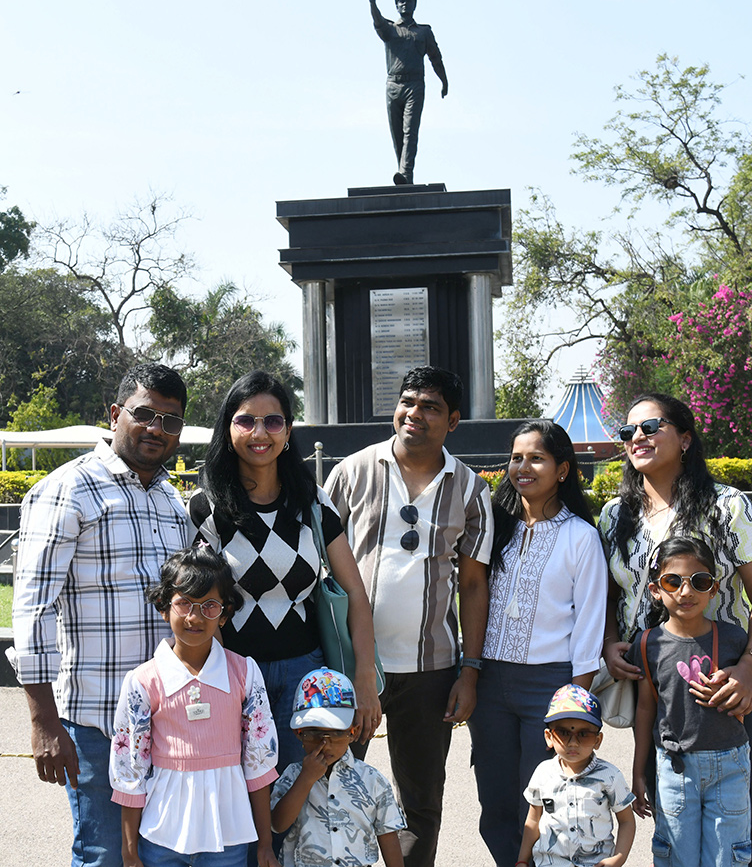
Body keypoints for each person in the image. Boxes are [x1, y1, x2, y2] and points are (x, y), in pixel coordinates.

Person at [12, 363, 193, 867]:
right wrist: (44, 721)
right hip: (97, 722)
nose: (157, 428)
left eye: (171, 421)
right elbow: (33, 606)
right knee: (104, 854)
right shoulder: (68, 489)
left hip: (166, 718)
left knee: (159, 854)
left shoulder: (171, 501)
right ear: (115, 415)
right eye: (145, 414)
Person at [323, 365, 492, 867]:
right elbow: (319, 565)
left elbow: (474, 584)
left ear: (453, 420)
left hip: (430, 672)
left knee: (420, 803)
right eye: (409, 402)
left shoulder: (470, 491)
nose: (414, 414)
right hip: (351, 667)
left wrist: (470, 670)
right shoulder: (350, 472)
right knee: (333, 790)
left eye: (431, 407)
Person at [190, 370, 381, 771]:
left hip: (306, 676)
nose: (260, 432)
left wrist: (365, 677)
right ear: (228, 429)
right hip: (237, 676)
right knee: (245, 804)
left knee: (300, 801)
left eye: (273, 421)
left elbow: (357, 596)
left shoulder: (312, 502)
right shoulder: (206, 507)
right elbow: (202, 604)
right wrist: (226, 683)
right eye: (246, 420)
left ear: (288, 430)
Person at [469, 420, 608, 867]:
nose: (522, 467)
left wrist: (574, 705)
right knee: (497, 803)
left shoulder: (581, 537)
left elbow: (589, 621)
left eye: (536, 458)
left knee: (550, 801)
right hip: (491, 683)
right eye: (515, 457)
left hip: (550, 687)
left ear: (563, 470)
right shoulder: (496, 526)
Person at [600, 394, 752, 771]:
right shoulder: (615, 515)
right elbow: (608, 595)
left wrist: (749, 668)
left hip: (727, 686)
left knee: (734, 818)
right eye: (627, 431)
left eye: (650, 427)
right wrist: (608, 644)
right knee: (670, 809)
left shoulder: (726, 506)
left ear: (685, 439)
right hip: (657, 687)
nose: (638, 436)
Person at [109, 545, 279, 867]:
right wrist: (129, 852)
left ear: (225, 613)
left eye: (209, 606)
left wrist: (265, 845)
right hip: (161, 838)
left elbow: (259, 764)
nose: (194, 617)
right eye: (184, 603)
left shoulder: (244, 674)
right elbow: (130, 770)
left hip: (228, 840)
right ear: (163, 607)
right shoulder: (143, 682)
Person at [629, 537, 751, 867]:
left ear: (714, 590)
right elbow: (645, 709)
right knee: (677, 856)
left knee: (728, 857)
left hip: (730, 765)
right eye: (673, 581)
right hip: (673, 768)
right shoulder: (646, 644)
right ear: (656, 589)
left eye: (699, 582)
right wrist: (640, 771)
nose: (686, 593)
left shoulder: (734, 639)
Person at [270, 667, 405, 867]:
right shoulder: (292, 775)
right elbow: (277, 824)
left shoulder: (372, 780)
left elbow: (388, 836)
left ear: (353, 732)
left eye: (335, 733)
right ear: (298, 733)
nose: (325, 744)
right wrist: (306, 779)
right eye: (313, 733)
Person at [518, 684, 636, 867]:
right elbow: (533, 820)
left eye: (584, 734)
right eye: (564, 733)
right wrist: (522, 860)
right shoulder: (543, 773)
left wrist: (617, 859)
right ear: (549, 737)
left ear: (598, 740)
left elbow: (627, 820)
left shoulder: (610, 776)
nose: (573, 742)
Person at [367, 0, 448, 185]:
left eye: (409, 0)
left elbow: (436, 58)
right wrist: (372, 3)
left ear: (414, 4)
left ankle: (405, 173)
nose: (405, 3)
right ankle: (404, 175)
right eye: (401, 1)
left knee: (410, 132)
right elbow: (377, 21)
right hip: (393, 85)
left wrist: (444, 81)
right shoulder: (390, 30)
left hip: (415, 85)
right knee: (397, 135)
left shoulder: (424, 32)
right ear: (396, 6)